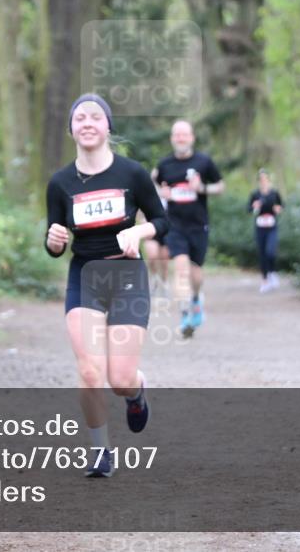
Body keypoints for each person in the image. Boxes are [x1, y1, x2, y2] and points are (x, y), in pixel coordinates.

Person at [46, 93, 168, 478]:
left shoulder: (131, 174)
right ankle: (100, 452)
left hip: (127, 277)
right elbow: (55, 240)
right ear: (71, 129)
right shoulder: (60, 182)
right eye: (79, 117)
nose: (86, 122)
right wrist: (53, 242)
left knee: (119, 379)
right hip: (84, 277)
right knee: (89, 371)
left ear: (107, 127)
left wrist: (141, 231)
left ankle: (136, 391)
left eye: (95, 117)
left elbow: (162, 221)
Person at [153, 120, 224, 338]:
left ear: (192, 137)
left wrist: (201, 187)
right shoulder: (164, 165)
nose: (181, 138)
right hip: (174, 225)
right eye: (177, 135)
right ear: (172, 139)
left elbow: (220, 186)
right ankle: (185, 315)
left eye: (184, 135)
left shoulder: (204, 162)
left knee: (195, 272)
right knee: (181, 267)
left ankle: (195, 299)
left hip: (198, 225)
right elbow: (150, 182)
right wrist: (160, 193)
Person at [248, 169, 284, 293]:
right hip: (260, 227)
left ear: (269, 180)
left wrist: (278, 208)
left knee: (271, 252)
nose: (263, 181)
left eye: (265, 179)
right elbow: (249, 210)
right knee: (262, 253)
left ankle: (272, 272)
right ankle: (265, 280)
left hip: (272, 227)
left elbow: (281, 206)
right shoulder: (255, 194)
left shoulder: (274, 193)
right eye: (261, 179)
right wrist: (254, 207)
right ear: (259, 181)